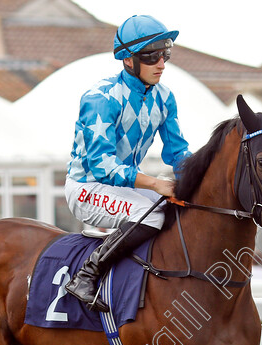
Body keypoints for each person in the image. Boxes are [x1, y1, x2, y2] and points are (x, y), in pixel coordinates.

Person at [63, 14, 191, 312]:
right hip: (87, 187)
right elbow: (102, 167)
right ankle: (87, 275)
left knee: (176, 210)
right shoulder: (100, 98)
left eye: (166, 53)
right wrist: (156, 183)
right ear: (128, 61)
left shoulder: (165, 98)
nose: (161, 63)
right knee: (151, 216)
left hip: (123, 187)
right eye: (152, 56)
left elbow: (178, 152)